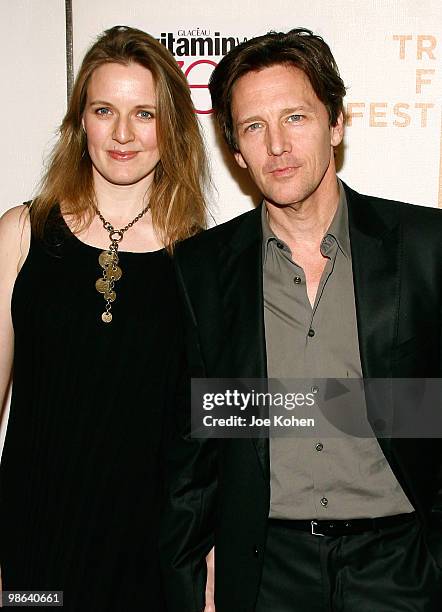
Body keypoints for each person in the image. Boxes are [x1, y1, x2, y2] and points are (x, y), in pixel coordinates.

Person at [161, 28, 442, 611]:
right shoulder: (202, 269)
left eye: (295, 117)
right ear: (235, 150)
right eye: (254, 127)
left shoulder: (425, 246)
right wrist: (191, 579)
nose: (277, 147)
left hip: (400, 568)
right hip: (267, 573)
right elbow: (197, 443)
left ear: (336, 123)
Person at [0, 25, 208, 611]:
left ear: (171, 127)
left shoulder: (201, 262)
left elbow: (216, 438)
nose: (122, 134)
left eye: (144, 113)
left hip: (150, 565)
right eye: (103, 110)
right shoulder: (21, 235)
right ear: (79, 123)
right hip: (34, 555)